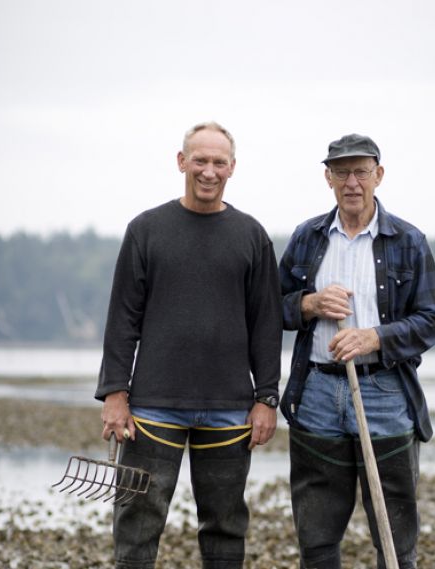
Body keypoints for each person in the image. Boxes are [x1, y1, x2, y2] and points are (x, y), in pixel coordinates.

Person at [96, 121, 283, 569]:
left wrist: (267, 398)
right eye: (200, 160)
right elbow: (123, 317)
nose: (209, 171)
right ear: (182, 162)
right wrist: (115, 394)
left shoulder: (252, 236)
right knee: (137, 523)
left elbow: (267, 324)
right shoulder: (146, 230)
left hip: (229, 410)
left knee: (225, 527)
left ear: (232, 168)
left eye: (219, 162)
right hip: (152, 408)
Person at [278, 133, 435, 569]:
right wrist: (309, 304)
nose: (351, 181)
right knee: (316, 537)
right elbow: (271, 308)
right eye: (341, 172)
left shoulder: (408, 240)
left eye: (360, 171)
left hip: (385, 392)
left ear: (379, 176)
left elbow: (433, 319)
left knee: (395, 537)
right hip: (315, 392)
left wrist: (375, 337)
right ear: (328, 179)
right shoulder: (307, 238)